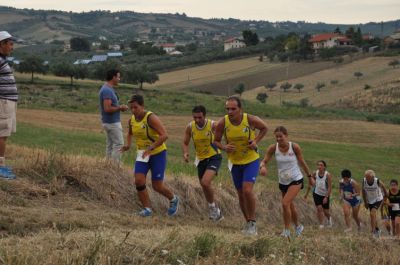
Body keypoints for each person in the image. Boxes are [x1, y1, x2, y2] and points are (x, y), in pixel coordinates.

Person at [214, 96, 268, 235]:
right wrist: (225, 147)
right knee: (241, 194)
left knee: (247, 190)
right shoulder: (222, 123)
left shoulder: (250, 119)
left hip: (251, 160)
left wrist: (255, 141)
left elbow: (264, 128)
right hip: (235, 162)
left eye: (233, 109)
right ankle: (248, 223)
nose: (230, 112)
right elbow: (216, 141)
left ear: (240, 109)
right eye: (228, 109)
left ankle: (253, 222)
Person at [120, 94, 179, 217]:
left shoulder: (150, 118)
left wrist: (151, 147)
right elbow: (130, 133)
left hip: (158, 153)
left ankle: (173, 199)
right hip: (142, 154)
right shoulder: (131, 120)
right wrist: (128, 145)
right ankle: (147, 209)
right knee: (139, 181)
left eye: (136, 107)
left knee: (157, 186)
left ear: (142, 106)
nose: (133, 110)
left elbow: (164, 135)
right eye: (131, 108)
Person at [260, 126, 312, 238]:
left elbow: (302, 162)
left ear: (286, 136)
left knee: (284, 203)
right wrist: (262, 166)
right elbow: (264, 160)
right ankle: (298, 226)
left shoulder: (294, 147)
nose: (278, 139)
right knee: (290, 205)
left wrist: (310, 176)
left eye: (281, 137)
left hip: (296, 179)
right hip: (283, 180)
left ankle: (286, 230)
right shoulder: (273, 148)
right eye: (276, 137)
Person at [182, 105, 223, 221]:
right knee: (204, 186)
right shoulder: (190, 127)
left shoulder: (212, 125)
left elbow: (225, 132)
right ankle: (216, 210)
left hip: (214, 156)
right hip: (200, 159)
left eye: (199, 117)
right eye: (195, 117)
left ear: (205, 116)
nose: (197, 120)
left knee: (205, 182)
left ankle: (213, 209)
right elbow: (185, 142)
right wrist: (185, 153)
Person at [99, 69, 128, 162]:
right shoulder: (107, 90)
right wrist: (120, 107)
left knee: (111, 145)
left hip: (108, 122)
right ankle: (115, 168)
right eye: (118, 77)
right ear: (113, 77)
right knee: (119, 144)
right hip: (112, 123)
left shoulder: (107, 89)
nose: (119, 79)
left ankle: (107, 166)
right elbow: (107, 108)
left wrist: (119, 107)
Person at [0, 31, 17, 179]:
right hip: (3, 102)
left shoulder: (2, 60)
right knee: (2, 134)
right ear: (2, 44)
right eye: (10, 44)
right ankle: (0, 167)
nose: (12, 47)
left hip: (6, 102)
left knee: (4, 134)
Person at [305, 160, 332, 229]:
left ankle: (329, 219)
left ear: (324, 167)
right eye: (318, 165)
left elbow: (329, 187)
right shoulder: (315, 173)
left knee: (326, 211)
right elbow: (310, 182)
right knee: (319, 209)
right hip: (316, 193)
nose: (319, 166)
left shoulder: (327, 175)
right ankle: (321, 224)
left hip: (325, 194)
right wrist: (306, 194)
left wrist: (326, 197)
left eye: (321, 165)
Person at [362, 169, 388, 238]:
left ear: (372, 177)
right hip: (370, 200)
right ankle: (377, 230)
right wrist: (365, 202)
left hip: (378, 199)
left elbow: (384, 188)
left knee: (372, 213)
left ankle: (373, 231)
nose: (366, 178)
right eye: (365, 177)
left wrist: (385, 197)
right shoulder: (364, 181)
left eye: (368, 177)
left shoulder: (377, 181)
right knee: (373, 216)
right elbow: (363, 191)